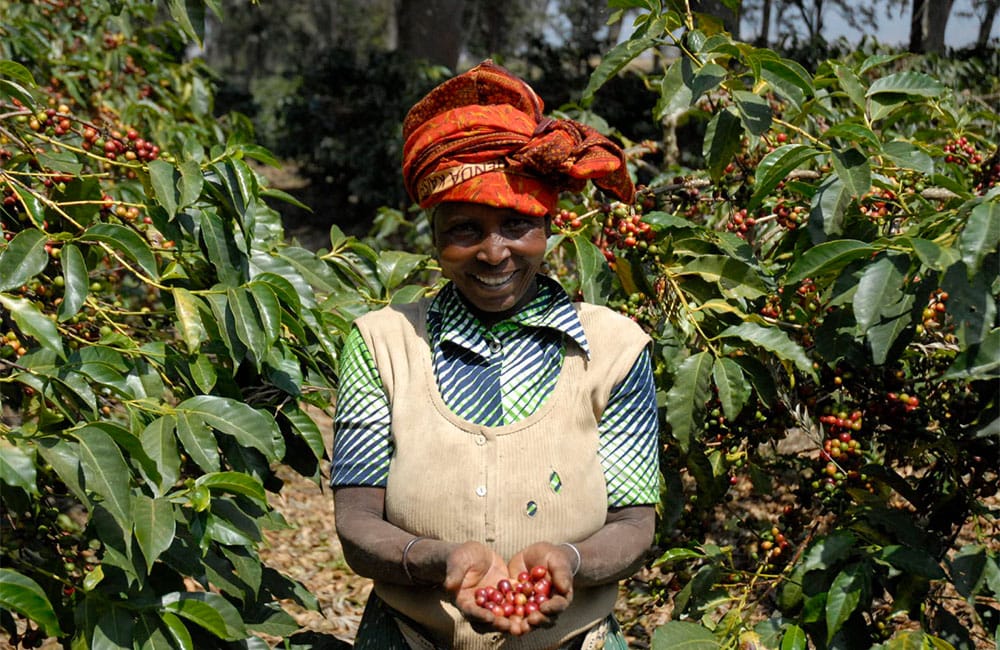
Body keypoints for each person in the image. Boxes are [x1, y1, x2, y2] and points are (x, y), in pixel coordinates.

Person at [330, 60, 660, 650]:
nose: (493, 253)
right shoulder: (383, 343)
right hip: (410, 637)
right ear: (433, 235)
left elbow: (635, 524)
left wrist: (570, 562)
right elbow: (356, 523)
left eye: (516, 225)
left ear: (548, 228)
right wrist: (438, 560)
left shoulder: (614, 349)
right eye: (464, 229)